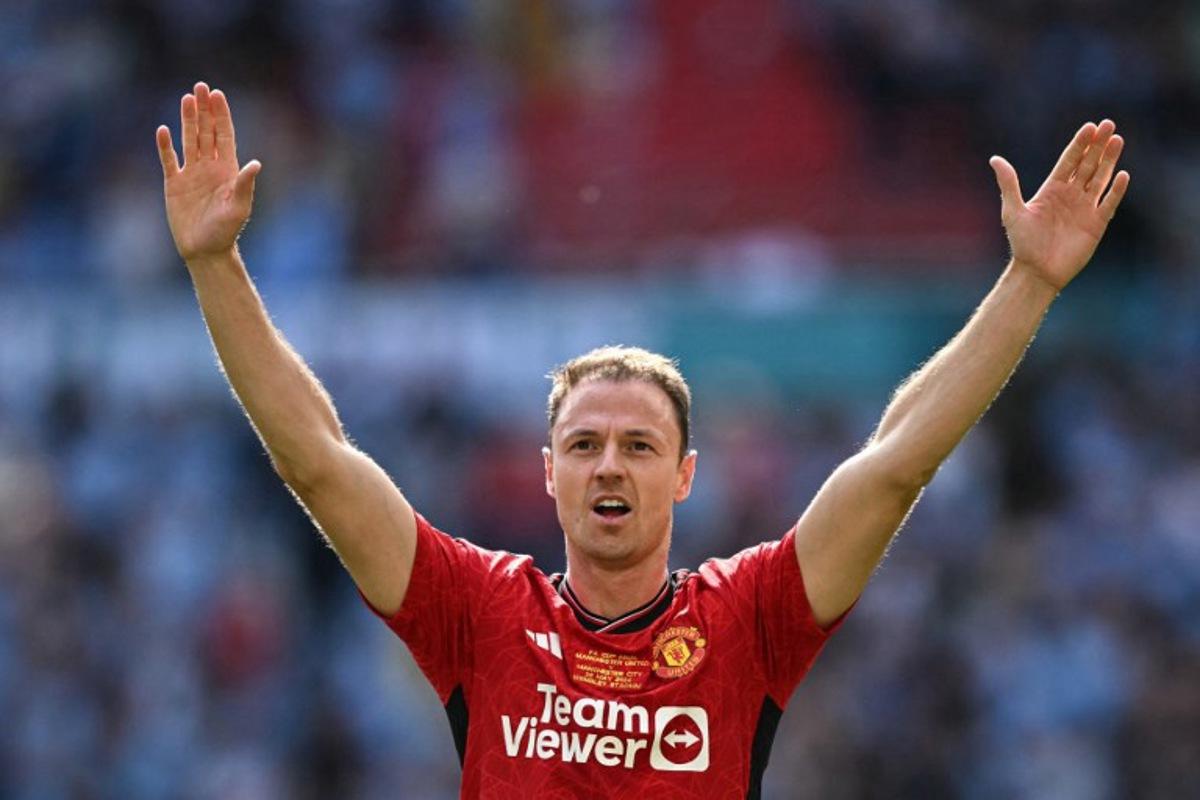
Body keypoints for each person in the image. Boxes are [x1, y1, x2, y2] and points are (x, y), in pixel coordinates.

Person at [156, 82, 1129, 798]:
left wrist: (1028, 283)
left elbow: (894, 465)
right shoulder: (481, 612)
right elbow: (318, 462)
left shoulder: (746, 620)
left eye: (639, 444)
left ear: (686, 474)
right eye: (583, 445)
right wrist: (215, 265)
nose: (610, 464)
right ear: (548, 474)